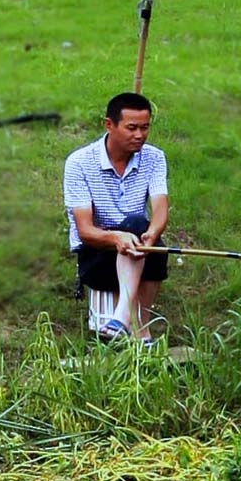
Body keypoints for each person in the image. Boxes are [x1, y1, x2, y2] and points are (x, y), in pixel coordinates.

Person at [64, 92, 169, 345]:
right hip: (97, 253)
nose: (140, 135)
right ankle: (133, 324)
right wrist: (115, 237)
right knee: (132, 226)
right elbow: (85, 230)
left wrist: (152, 234)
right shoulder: (79, 163)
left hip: (140, 249)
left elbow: (160, 208)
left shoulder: (154, 158)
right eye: (132, 128)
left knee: (140, 227)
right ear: (109, 125)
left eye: (145, 128)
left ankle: (130, 323)